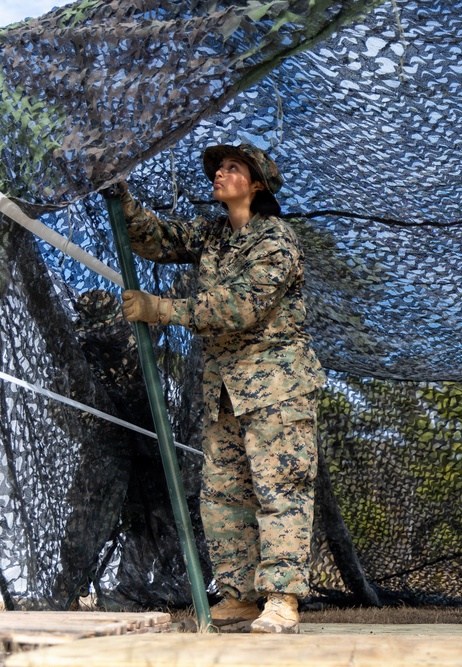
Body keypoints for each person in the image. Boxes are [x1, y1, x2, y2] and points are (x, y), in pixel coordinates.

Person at [118, 143, 325, 633]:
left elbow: (240, 306)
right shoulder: (213, 234)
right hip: (226, 390)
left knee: (280, 488)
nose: (220, 174)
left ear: (256, 184)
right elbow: (154, 237)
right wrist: (121, 197)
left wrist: (165, 310)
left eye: (233, 168)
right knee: (223, 493)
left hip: (276, 385)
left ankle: (281, 598)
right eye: (219, 168)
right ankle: (239, 595)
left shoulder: (276, 240)